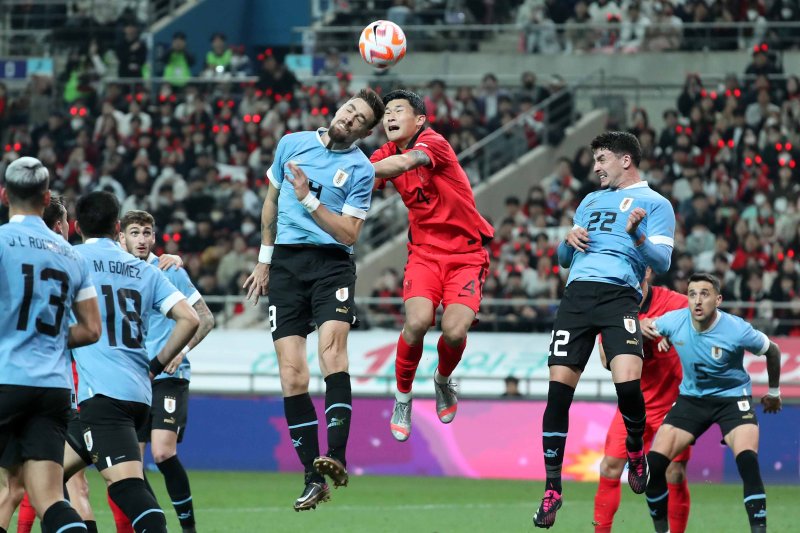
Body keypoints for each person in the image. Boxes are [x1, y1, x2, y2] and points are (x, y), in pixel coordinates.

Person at [243, 88, 385, 511]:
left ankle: (336, 456)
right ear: (339, 108)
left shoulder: (361, 170)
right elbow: (271, 203)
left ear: (366, 130)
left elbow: (349, 234)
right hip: (286, 265)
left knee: (332, 353)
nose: (349, 119)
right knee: (292, 376)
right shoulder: (292, 143)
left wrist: (308, 198)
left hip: (331, 266)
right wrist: (264, 259)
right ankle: (311, 477)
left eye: (359, 119)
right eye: (349, 110)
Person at [534, 131, 676, 529]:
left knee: (628, 384)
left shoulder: (656, 204)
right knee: (557, 394)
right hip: (577, 298)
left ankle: (635, 449)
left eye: (601, 159)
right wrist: (568, 239)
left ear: (625, 160)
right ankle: (552, 488)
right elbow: (564, 259)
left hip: (619, 298)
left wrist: (637, 235)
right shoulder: (590, 201)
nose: (595, 167)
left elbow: (661, 261)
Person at [63, 191, 200, 533]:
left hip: (105, 397)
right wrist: (155, 365)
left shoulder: (71, 259)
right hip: (136, 391)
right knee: (43, 478)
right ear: (117, 227)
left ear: (76, 226)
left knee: (127, 488)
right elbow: (191, 319)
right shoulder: (144, 270)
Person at [369, 89, 494, 442]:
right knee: (419, 321)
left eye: (397, 111)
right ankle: (403, 397)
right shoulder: (384, 152)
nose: (389, 117)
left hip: (466, 256)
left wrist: (356, 167)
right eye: (386, 113)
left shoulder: (433, 143)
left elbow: (405, 165)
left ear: (419, 119)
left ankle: (441, 380)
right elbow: (367, 180)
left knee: (454, 331)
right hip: (424, 254)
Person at [0, 157, 101, 533]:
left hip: (5, 377)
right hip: (53, 388)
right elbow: (91, 329)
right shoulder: (70, 254)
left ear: (5, 194)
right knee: (49, 499)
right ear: (46, 199)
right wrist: (47, 336)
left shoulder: (1, 242)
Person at [641, 273, 782, 533]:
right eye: (692, 293)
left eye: (704, 294)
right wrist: (647, 328)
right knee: (653, 468)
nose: (697, 300)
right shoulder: (675, 320)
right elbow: (646, 325)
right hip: (692, 400)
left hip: (732, 399)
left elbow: (772, 349)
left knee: (748, 462)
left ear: (718, 300)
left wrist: (773, 392)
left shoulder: (736, 328)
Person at [119, 209, 215, 533]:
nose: (142, 240)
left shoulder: (169, 270)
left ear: (155, 237)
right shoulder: (116, 271)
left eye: (147, 233)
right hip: (133, 378)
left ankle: (188, 528)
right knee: (131, 464)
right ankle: (152, 521)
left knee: (161, 452)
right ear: (121, 237)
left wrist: (182, 351)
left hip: (168, 376)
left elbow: (205, 317)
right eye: (135, 232)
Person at [593, 268, 691, 533]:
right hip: (633, 404)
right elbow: (605, 360)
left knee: (674, 472)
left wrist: (668, 332)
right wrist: (634, 331)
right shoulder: (613, 308)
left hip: (673, 404)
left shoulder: (673, 302)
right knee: (610, 467)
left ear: (647, 272)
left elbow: (702, 322)